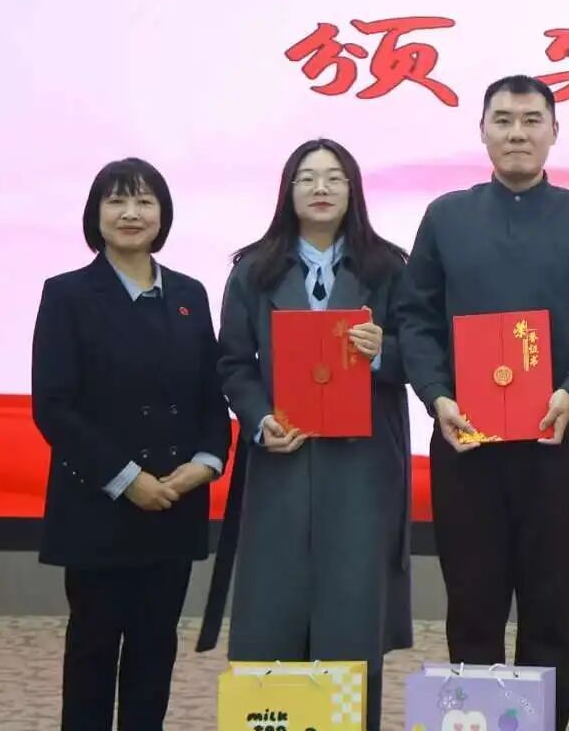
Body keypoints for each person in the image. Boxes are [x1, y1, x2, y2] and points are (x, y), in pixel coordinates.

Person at [395, 74, 569, 730]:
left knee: (550, 612)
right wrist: (437, 396)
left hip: (558, 443)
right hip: (466, 444)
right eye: (502, 120)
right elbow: (415, 319)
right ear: (482, 131)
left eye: (532, 120)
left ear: (554, 131)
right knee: (472, 609)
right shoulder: (446, 216)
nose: (517, 134)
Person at [202, 139, 412, 729]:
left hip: (361, 467)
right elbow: (233, 364)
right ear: (288, 191)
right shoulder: (253, 270)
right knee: (274, 616)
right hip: (281, 462)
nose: (321, 188)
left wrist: (382, 352)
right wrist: (257, 418)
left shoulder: (388, 268)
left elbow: (423, 353)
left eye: (334, 177)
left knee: (352, 626)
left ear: (353, 190)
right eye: (307, 178)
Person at [31, 157, 232, 730]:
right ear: (95, 214)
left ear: (162, 214)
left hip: (174, 504)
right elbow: (54, 407)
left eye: (144, 201)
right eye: (116, 200)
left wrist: (205, 463)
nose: (131, 213)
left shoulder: (189, 294)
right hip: (98, 507)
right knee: (92, 653)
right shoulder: (67, 294)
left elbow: (210, 396)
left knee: (154, 652)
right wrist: (127, 480)